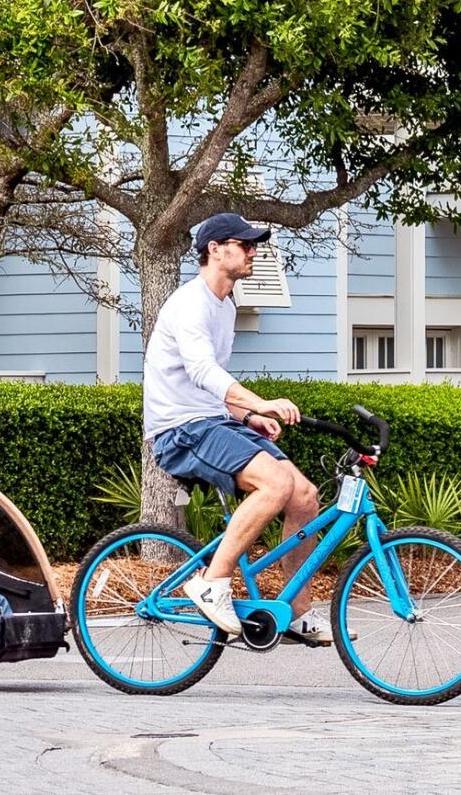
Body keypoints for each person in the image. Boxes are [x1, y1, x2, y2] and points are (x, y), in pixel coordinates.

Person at [141, 212, 323, 640]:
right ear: (215, 249)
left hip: (211, 420)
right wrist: (260, 401)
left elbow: (208, 388)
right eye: (245, 244)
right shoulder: (190, 303)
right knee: (275, 484)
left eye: (253, 245)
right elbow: (203, 372)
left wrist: (248, 416)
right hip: (180, 430)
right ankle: (211, 583)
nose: (253, 252)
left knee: (305, 497)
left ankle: (294, 611)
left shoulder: (225, 305)